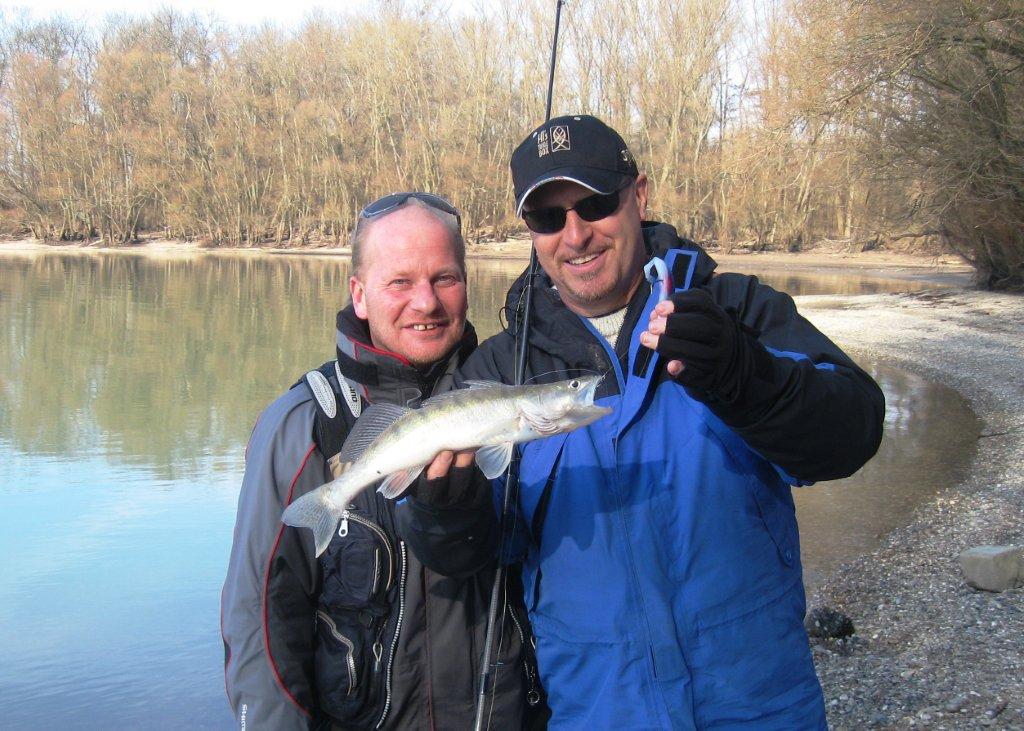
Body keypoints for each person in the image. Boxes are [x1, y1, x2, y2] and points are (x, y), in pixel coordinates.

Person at [402, 115, 886, 728]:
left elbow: (853, 434)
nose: (575, 235)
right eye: (547, 217)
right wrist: (444, 510)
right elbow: (468, 553)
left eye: (595, 204)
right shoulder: (499, 369)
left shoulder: (733, 311)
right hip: (597, 713)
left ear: (639, 195)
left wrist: (747, 378)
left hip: (763, 707)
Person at [221, 193, 541, 730]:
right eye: (399, 282)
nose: (426, 302)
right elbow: (258, 619)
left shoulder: (518, 401)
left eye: (445, 278)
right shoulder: (302, 424)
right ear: (359, 294)